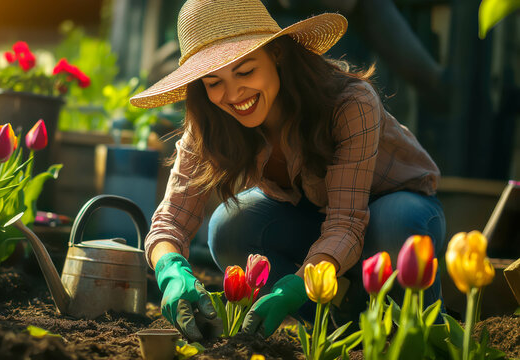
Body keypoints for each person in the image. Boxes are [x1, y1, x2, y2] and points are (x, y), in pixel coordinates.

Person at [129, 0, 446, 341]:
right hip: (314, 222)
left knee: (394, 219)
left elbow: (347, 222)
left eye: (245, 71)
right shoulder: (212, 119)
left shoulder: (350, 102)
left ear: (276, 54)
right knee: (228, 229)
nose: (233, 94)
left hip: (392, 214)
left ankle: (420, 334)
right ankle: (345, 320)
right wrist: (170, 271)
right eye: (213, 81)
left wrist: (296, 286)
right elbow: (170, 220)